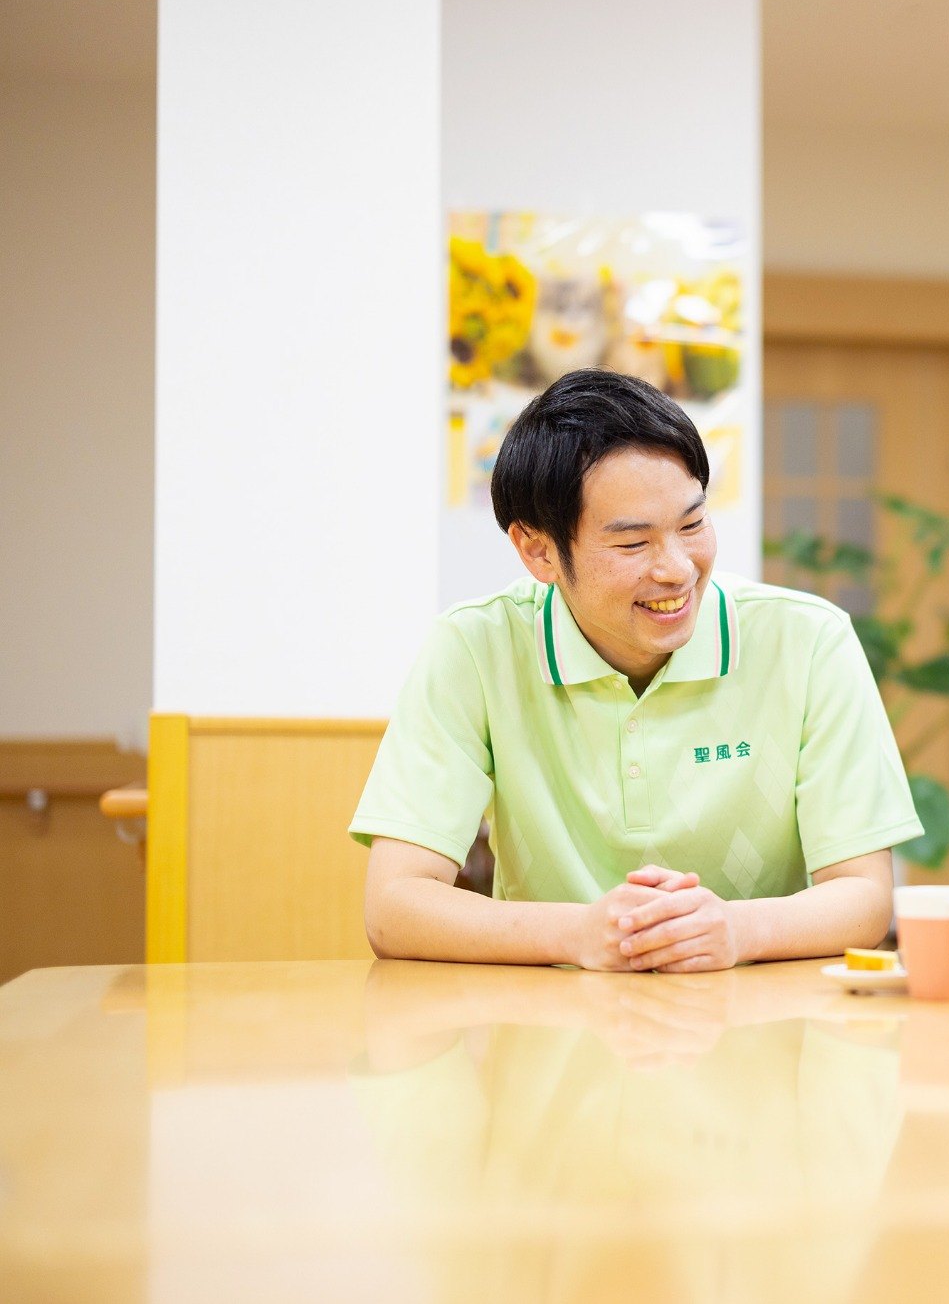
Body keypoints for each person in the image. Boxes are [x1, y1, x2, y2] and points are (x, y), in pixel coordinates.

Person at [352, 369, 920, 972]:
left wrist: (733, 929)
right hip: (546, 1031)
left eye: (692, 525)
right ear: (538, 549)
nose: (677, 569)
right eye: (633, 544)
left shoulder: (807, 641)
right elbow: (394, 904)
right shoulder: (475, 648)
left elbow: (864, 897)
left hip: (753, 1024)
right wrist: (579, 934)